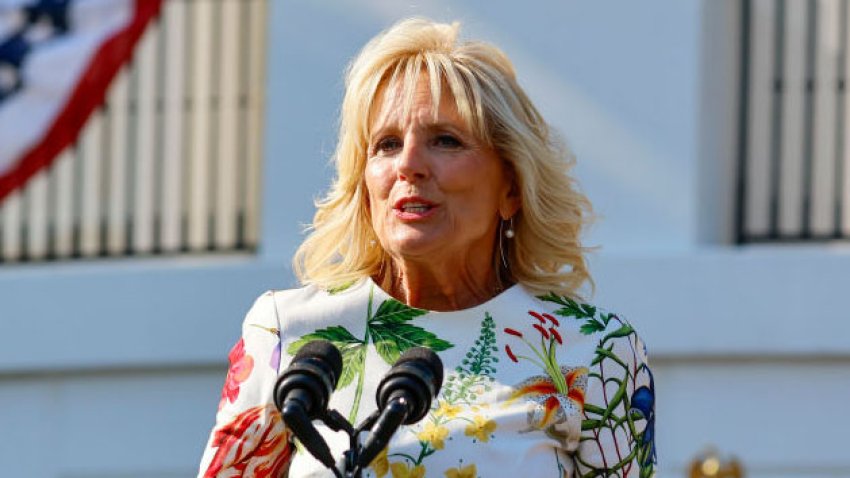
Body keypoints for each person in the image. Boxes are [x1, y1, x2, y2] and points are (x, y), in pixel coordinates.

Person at [198, 18, 655, 478]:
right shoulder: (287, 335)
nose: (409, 165)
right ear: (363, 182)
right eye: (387, 144)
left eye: (446, 141)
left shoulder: (596, 352)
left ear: (512, 188)